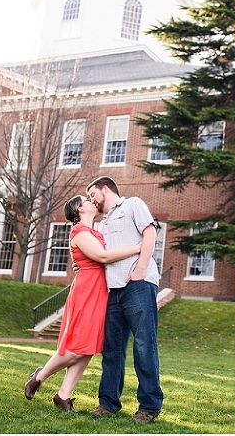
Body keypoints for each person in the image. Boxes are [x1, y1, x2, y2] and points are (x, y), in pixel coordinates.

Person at [24, 195, 142, 412]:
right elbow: (103, 257)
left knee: (88, 347)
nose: (91, 201)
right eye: (87, 200)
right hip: (86, 291)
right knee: (76, 347)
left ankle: (63, 395)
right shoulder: (79, 232)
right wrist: (138, 248)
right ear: (79, 209)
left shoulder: (95, 231)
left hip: (99, 291)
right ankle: (40, 376)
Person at [86, 176, 163, 424]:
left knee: (144, 345)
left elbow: (150, 235)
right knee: (112, 350)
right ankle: (108, 403)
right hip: (113, 290)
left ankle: (149, 407)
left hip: (138, 285)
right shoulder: (101, 224)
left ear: (105, 189)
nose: (91, 201)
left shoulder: (133, 205)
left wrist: (140, 270)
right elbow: (102, 256)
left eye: (93, 195)